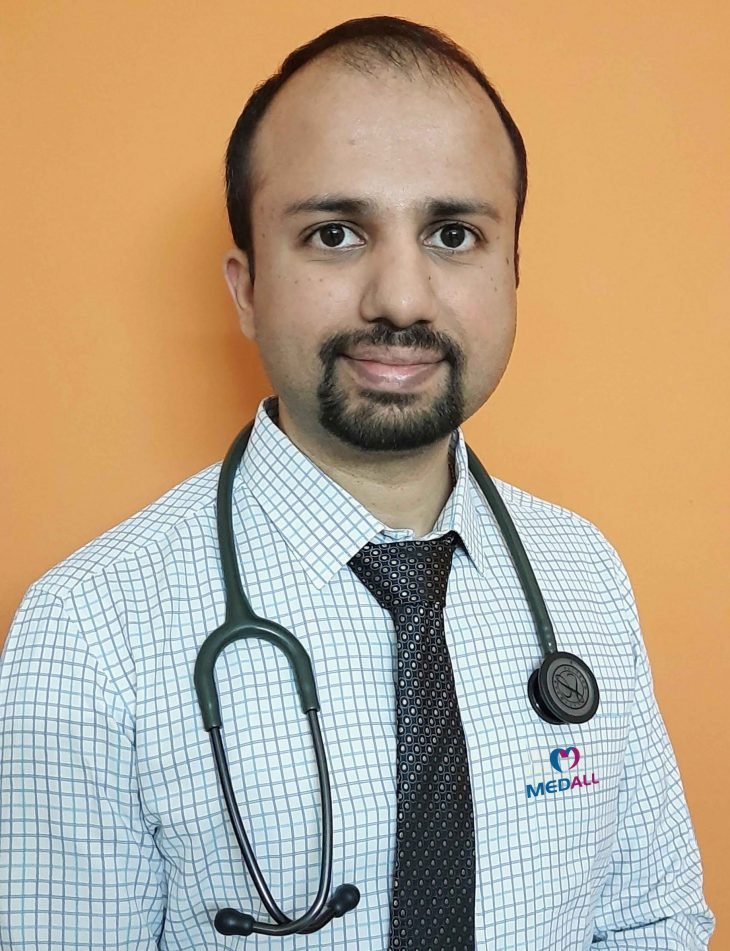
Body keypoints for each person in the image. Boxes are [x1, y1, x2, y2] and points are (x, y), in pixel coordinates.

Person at [0, 15, 714, 951]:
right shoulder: (87, 632)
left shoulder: (586, 574)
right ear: (247, 287)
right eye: (334, 234)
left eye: (453, 233)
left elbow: (653, 923)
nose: (401, 298)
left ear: (512, 272)